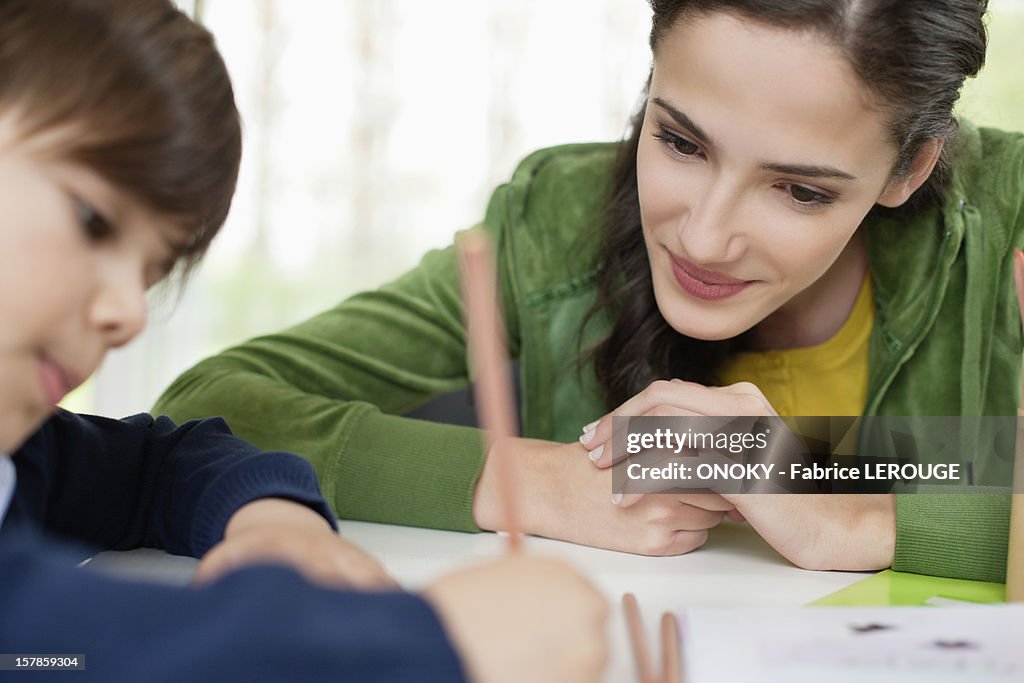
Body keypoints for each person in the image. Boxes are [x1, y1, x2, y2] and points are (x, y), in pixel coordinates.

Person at [155, 0, 1019, 583]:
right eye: (680, 141)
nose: (706, 236)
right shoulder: (552, 221)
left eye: (800, 190)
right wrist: (526, 479)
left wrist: (845, 515)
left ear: (909, 168)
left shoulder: (1008, 227)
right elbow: (209, 405)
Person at [0, 2, 609, 681]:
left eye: (152, 274)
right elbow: (43, 639)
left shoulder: (23, 459)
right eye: (92, 220)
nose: (130, 314)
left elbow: (159, 467)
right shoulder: (557, 226)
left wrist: (272, 517)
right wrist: (423, 638)